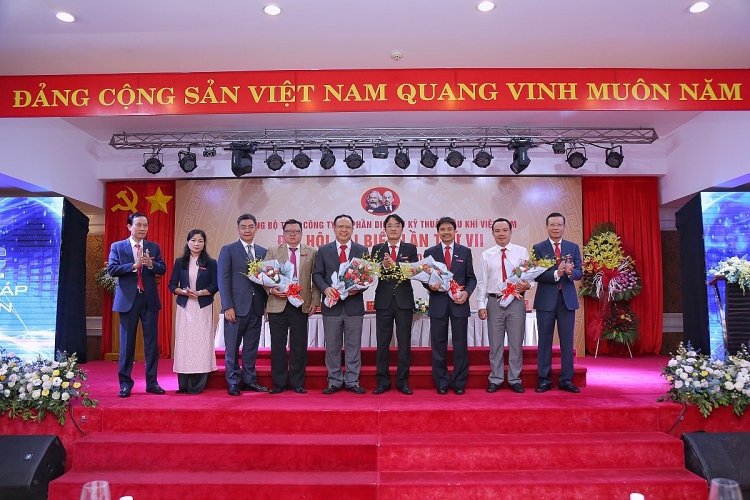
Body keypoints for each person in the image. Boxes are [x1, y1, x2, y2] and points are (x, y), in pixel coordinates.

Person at [107, 212, 167, 398]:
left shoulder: (153, 247)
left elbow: (163, 268)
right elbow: (112, 269)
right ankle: (125, 384)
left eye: (145, 225)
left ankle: (152, 383)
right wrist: (134, 266)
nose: (142, 228)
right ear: (129, 226)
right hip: (128, 301)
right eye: (139, 225)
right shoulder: (118, 247)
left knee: (151, 344)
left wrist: (151, 264)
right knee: (127, 344)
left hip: (149, 300)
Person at [312, 214, 369, 394]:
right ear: (334, 228)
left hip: (354, 307)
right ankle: (334, 381)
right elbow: (317, 274)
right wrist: (325, 289)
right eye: (340, 226)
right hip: (331, 307)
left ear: (353, 229)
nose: (344, 230)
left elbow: (367, 277)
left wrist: (358, 288)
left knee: (353, 346)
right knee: (332, 347)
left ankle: (352, 381)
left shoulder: (362, 250)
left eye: (347, 227)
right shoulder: (323, 250)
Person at [477, 218, 532, 394]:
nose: (501, 234)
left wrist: (528, 285)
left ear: (510, 231)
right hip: (494, 302)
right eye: (497, 231)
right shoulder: (486, 255)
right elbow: (482, 282)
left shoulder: (521, 252)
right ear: (492, 233)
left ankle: (515, 379)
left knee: (516, 343)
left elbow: (530, 277)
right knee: (495, 344)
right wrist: (481, 304)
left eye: (504, 230)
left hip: (516, 300)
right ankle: (496, 378)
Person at [265, 219, 320, 394]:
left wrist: (315, 301)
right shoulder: (273, 251)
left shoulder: (312, 252)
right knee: (278, 345)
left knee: (299, 346)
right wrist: (271, 290)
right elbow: (263, 276)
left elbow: (316, 279)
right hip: (278, 303)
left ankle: (297, 382)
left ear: (301, 233)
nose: (292, 234)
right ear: (283, 234)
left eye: (296, 231)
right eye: (289, 231)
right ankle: (279, 383)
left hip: (300, 304)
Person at [424, 216, 476, 395]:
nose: (446, 232)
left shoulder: (465, 251)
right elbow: (425, 278)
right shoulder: (430, 252)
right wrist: (430, 285)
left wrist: (467, 293)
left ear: (455, 231)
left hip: (459, 303)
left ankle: (459, 382)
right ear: (438, 232)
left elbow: (471, 278)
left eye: (449, 229)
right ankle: (441, 382)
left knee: (460, 345)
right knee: (438, 345)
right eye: (442, 229)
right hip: (438, 304)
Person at [218, 214, 268, 396]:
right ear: (238, 229)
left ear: (256, 228)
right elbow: (223, 279)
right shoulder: (228, 250)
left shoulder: (263, 252)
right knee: (232, 348)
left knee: (251, 348)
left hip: (256, 307)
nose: (247, 230)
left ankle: (249, 381)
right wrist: (227, 306)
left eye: (250, 227)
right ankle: (232, 382)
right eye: (243, 227)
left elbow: (266, 282)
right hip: (235, 308)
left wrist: (266, 305)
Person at [532, 212, 582, 394]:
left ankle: (566, 380)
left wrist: (570, 272)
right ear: (546, 227)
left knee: (567, 342)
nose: (555, 228)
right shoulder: (538, 248)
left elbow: (579, 273)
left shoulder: (573, 247)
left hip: (567, 301)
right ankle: (544, 380)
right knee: (544, 341)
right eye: (552, 225)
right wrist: (556, 273)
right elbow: (535, 274)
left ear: (564, 227)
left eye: (559, 225)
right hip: (545, 301)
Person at [370, 213, 418, 395]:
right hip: (383, 301)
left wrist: (395, 265)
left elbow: (413, 271)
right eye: (389, 225)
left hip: (403, 301)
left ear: (402, 228)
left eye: (397, 225)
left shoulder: (410, 248)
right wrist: (382, 266)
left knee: (404, 343)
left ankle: (402, 381)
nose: (393, 228)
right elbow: (371, 273)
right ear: (384, 229)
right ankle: (382, 381)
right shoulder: (377, 248)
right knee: (382, 343)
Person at [168, 229, 218, 394]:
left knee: (201, 343)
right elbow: (172, 285)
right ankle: (184, 384)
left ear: (204, 243)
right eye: (193, 240)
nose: (197, 244)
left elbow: (215, 285)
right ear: (188, 242)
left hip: (202, 306)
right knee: (185, 343)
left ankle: (196, 384)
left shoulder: (211, 263)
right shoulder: (180, 262)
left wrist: (200, 293)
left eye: (200, 241)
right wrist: (183, 292)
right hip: (185, 307)